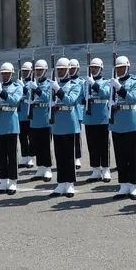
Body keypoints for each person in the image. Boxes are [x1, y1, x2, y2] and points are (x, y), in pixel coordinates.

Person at [109, 55, 136, 200]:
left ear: (128, 67)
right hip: (116, 121)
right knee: (120, 155)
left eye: (122, 67)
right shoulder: (112, 81)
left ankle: (134, 185)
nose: (120, 70)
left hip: (130, 120)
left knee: (131, 155)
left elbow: (132, 99)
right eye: (118, 68)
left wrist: (119, 88)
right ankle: (124, 184)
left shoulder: (135, 81)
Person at [48, 58, 83, 197]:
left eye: (62, 69)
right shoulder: (53, 84)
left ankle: (70, 184)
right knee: (60, 155)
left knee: (69, 156)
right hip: (57, 123)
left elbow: (70, 101)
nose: (60, 71)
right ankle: (61, 183)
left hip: (69, 122)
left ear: (68, 70)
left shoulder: (75, 84)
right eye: (58, 69)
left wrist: (57, 89)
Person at [0, 62, 24, 194]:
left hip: (10, 123)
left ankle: (13, 181)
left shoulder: (17, 87)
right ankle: (3, 180)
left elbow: (14, 101)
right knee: (0, 155)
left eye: (7, 73)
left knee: (11, 154)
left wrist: (1, 92)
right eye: (3, 73)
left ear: (12, 74)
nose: (5, 76)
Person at [82, 57, 112, 183]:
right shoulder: (85, 83)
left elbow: (105, 94)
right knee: (92, 145)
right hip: (89, 117)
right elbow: (81, 98)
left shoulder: (106, 82)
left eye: (96, 67)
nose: (93, 69)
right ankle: (95, 169)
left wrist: (93, 84)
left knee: (103, 145)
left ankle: (105, 169)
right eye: (92, 67)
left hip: (102, 117)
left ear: (101, 69)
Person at [27, 60, 53, 182]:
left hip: (44, 118)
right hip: (34, 118)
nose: (38, 72)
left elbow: (48, 98)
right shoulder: (33, 83)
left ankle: (47, 168)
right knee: (36, 144)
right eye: (36, 70)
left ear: (45, 70)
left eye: (40, 70)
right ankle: (40, 167)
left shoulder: (49, 84)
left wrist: (37, 89)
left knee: (45, 145)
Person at [17, 62, 35, 167]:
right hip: (21, 114)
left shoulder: (33, 83)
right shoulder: (20, 82)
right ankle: (24, 156)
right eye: (23, 71)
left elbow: (30, 96)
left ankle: (31, 157)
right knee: (22, 136)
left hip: (29, 113)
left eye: (26, 71)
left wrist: (23, 86)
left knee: (31, 137)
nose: (24, 73)